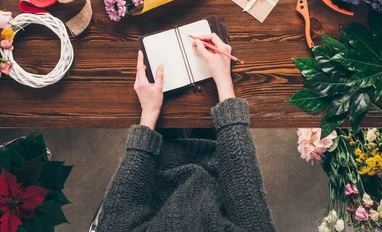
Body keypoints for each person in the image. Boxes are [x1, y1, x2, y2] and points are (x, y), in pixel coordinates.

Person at [91, 33, 276, 232]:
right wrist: (224, 83)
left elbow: (122, 207)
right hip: (219, 168)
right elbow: (245, 194)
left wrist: (149, 115)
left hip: (156, 164)